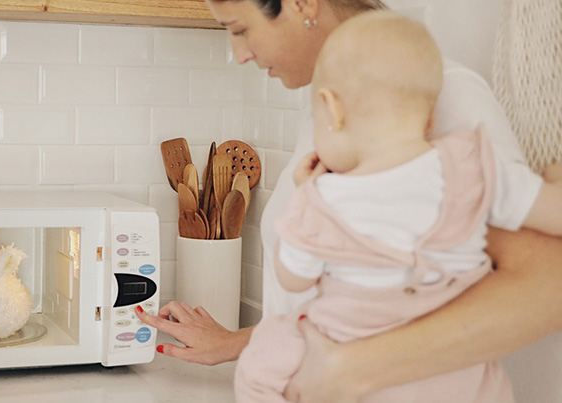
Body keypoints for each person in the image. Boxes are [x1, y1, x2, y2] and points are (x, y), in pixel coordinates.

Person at [134, 0, 562, 401]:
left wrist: (351, 368)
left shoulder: (428, 97)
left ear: (302, 4)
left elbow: (547, 281)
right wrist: (239, 343)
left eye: (241, 29)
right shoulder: (331, 111)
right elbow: (366, 294)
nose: (239, 54)